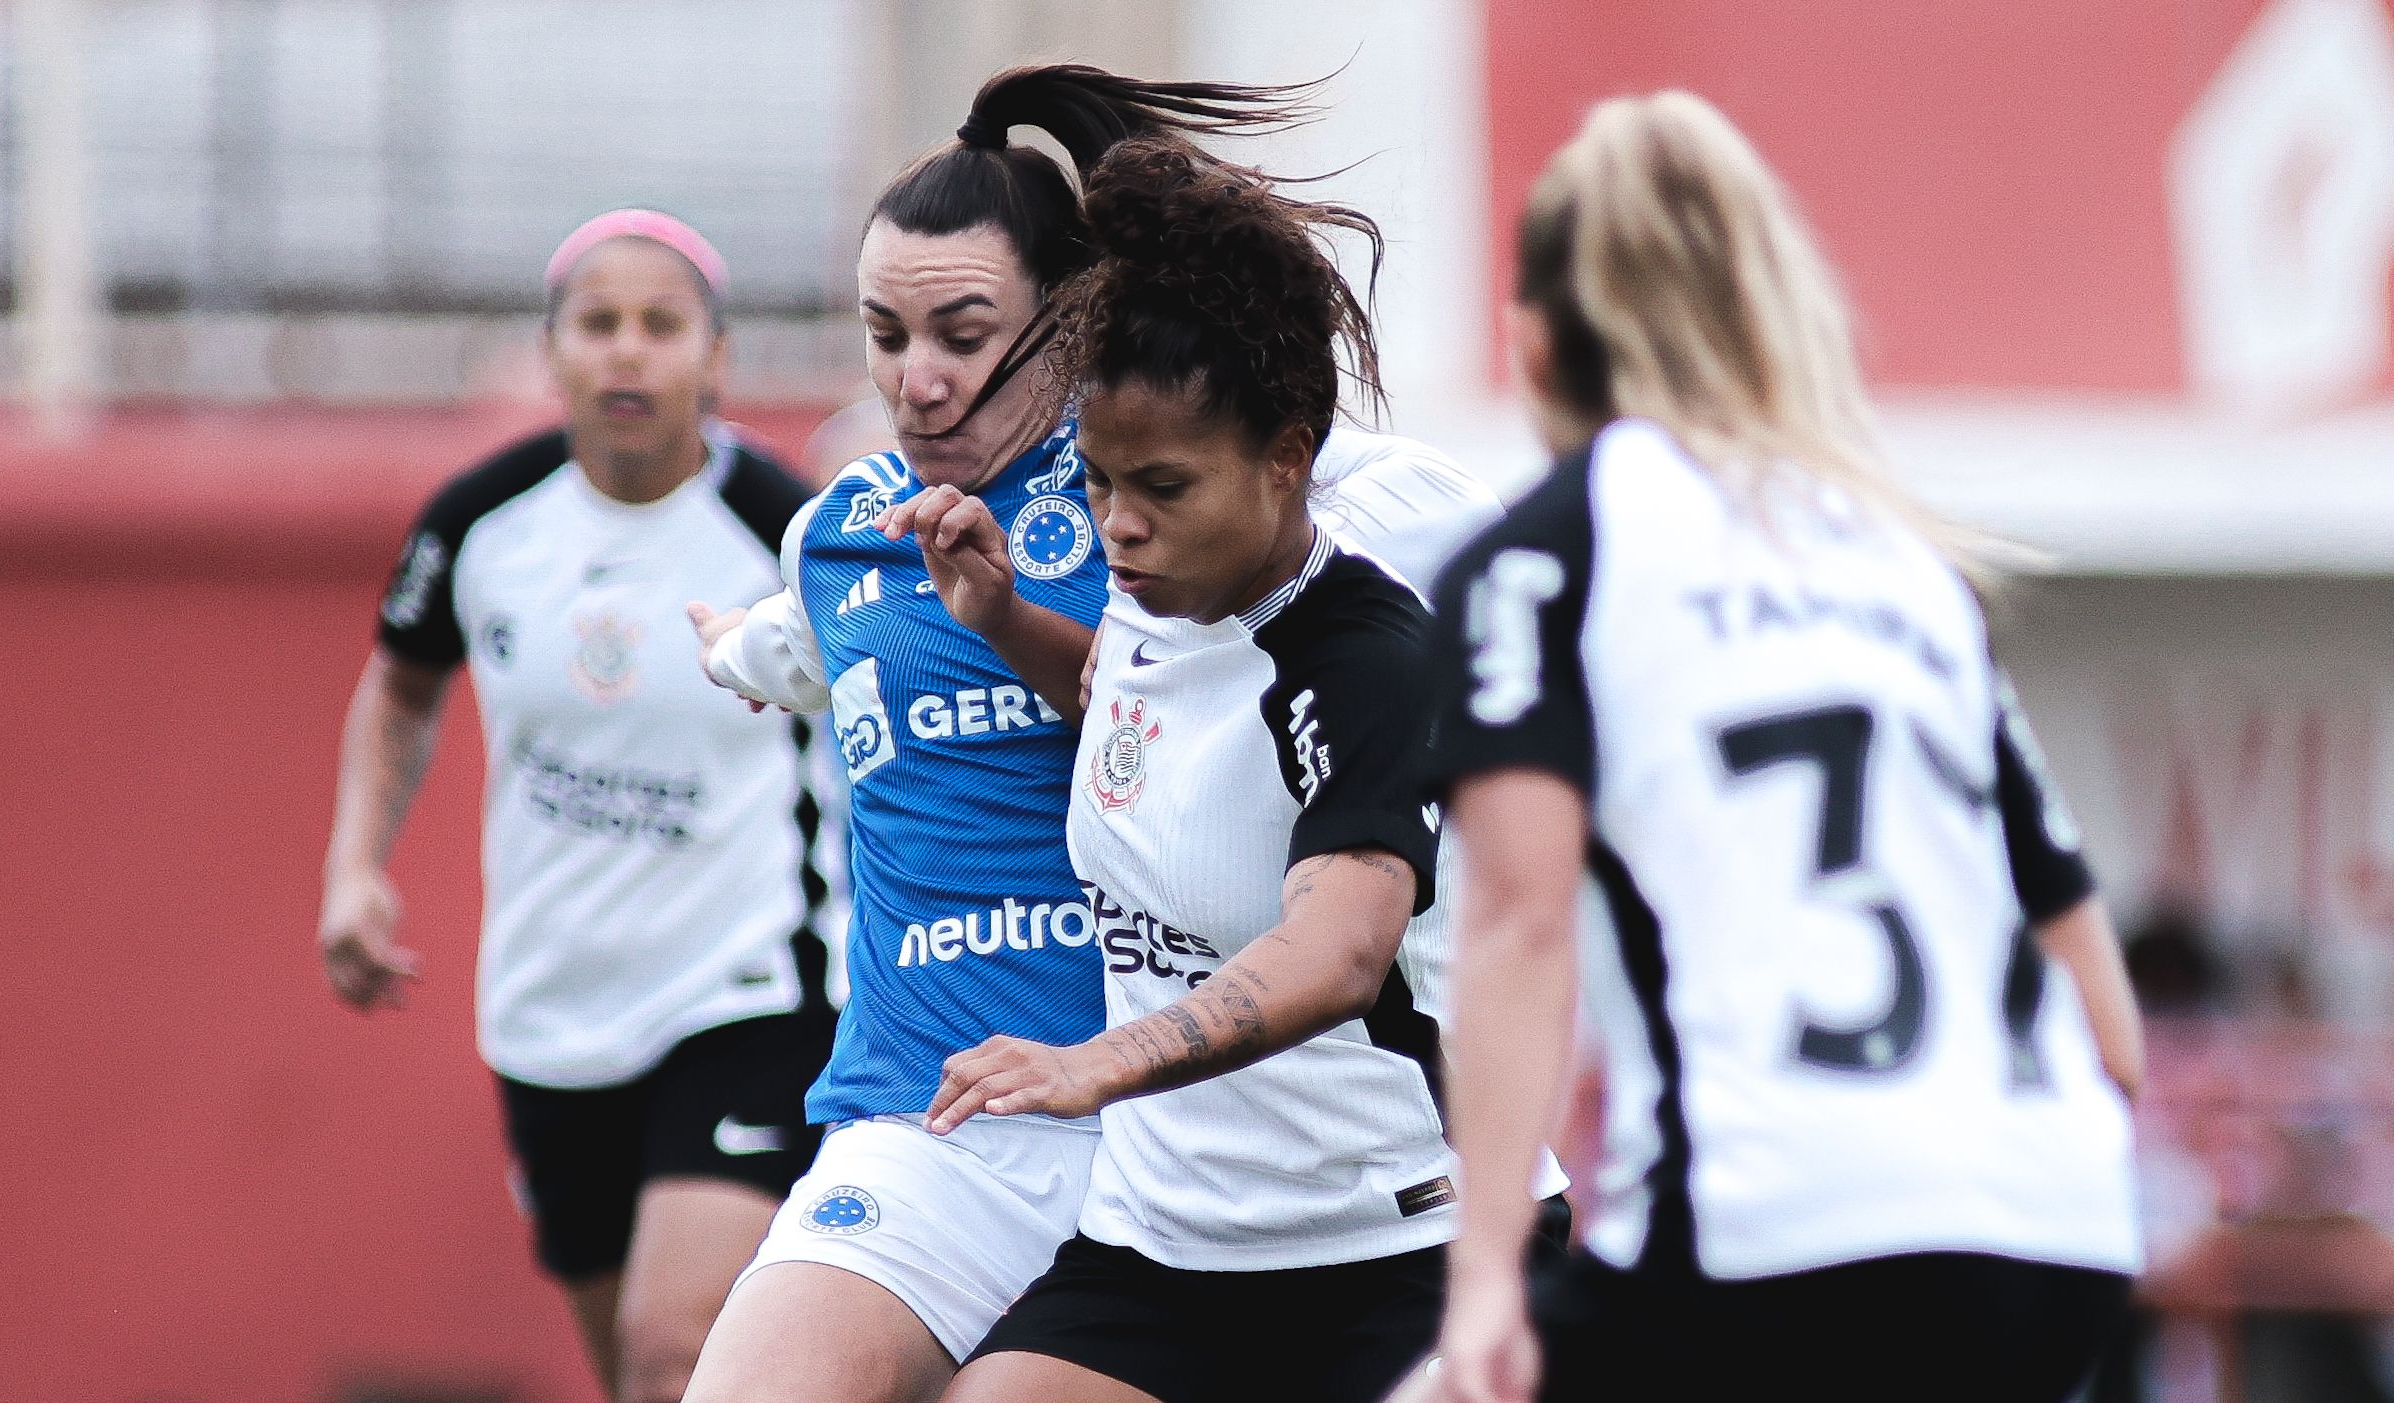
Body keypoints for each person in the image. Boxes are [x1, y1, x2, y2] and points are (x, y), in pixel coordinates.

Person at [1407, 92, 2145, 1403]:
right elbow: (2110, 1034)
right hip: (2052, 1229)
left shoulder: (1541, 555)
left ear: (1528, 340)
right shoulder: (1905, 567)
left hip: (1771, 1224)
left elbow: (1517, 925)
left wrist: (1481, 1282)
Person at [882, 134, 1562, 1403]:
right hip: (1163, 1249)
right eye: (1093, 482)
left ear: (1287, 459)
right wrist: (1006, 621)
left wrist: (1098, 1058)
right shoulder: (1157, 587)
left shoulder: (1363, 660)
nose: (1117, 524)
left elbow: (1340, 945)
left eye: (1161, 486)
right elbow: (1144, 714)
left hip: (1396, 1249)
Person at [680, 66, 1323, 1403]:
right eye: (883, 334)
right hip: (927, 1123)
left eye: (962, 333)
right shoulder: (838, 534)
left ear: (1067, 316)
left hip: (1155, 1133)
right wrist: (723, 647)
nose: (917, 382)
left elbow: (1202, 727)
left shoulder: (1152, 501)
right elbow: (788, 651)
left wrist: (1009, 623)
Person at [316, 210, 836, 1403]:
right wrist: (355, 865)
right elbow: (400, 686)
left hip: (749, 989)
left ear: (716, 357)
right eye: (596, 323)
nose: (626, 351)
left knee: (675, 1346)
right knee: (632, 1372)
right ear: (550, 353)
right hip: (552, 1008)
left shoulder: (784, 530)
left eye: (661, 324)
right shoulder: (479, 523)